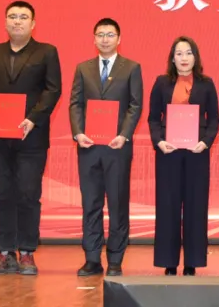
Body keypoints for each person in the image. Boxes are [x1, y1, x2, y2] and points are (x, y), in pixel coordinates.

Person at [0, 1, 62, 275]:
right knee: (2, 194)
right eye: (12, 16)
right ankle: (5, 252)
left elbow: (52, 90)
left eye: (23, 17)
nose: (17, 21)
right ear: (5, 22)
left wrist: (33, 118)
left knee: (28, 193)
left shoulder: (46, 52)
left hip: (30, 137)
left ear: (33, 24)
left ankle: (27, 252)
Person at [68, 18, 143, 277]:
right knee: (91, 203)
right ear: (94, 39)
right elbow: (75, 103)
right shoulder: (83, 68)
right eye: (100, 34)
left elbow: (135, 105)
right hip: (89, 146)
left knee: (118, 203)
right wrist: (78, 132)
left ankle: (115, 259)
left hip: (117, 147)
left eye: (110, 35)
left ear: (119, 39)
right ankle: (91, 258)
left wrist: (124, 135)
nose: (105, 39)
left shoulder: (131, 67)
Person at [148, 36, 219, 276]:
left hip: (196, 153)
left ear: (195, 57)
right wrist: (159, 141)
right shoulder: (161, 83)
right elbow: (153, 118)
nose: (184, 58)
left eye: (188, 53)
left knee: (195, 206)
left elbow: (214, 119)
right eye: (179, 53)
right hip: (168, 153)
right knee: (167, 205)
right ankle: (168, 262)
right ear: (172, 58)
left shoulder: (206, 84)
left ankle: (192, 262)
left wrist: (205, 142)